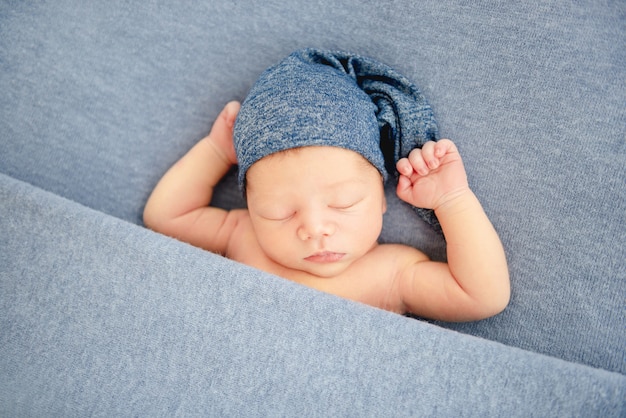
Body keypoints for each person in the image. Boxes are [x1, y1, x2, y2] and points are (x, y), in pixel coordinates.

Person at [144, 49, 509, 321]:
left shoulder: (392, 274)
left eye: (344, 203)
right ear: (252, 208)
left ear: (381, 197)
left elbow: (482, 296)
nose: (315, 229)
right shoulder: (242, 235)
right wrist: (215, 152)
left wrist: (452, 200)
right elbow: (165, 216)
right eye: (279, 213)